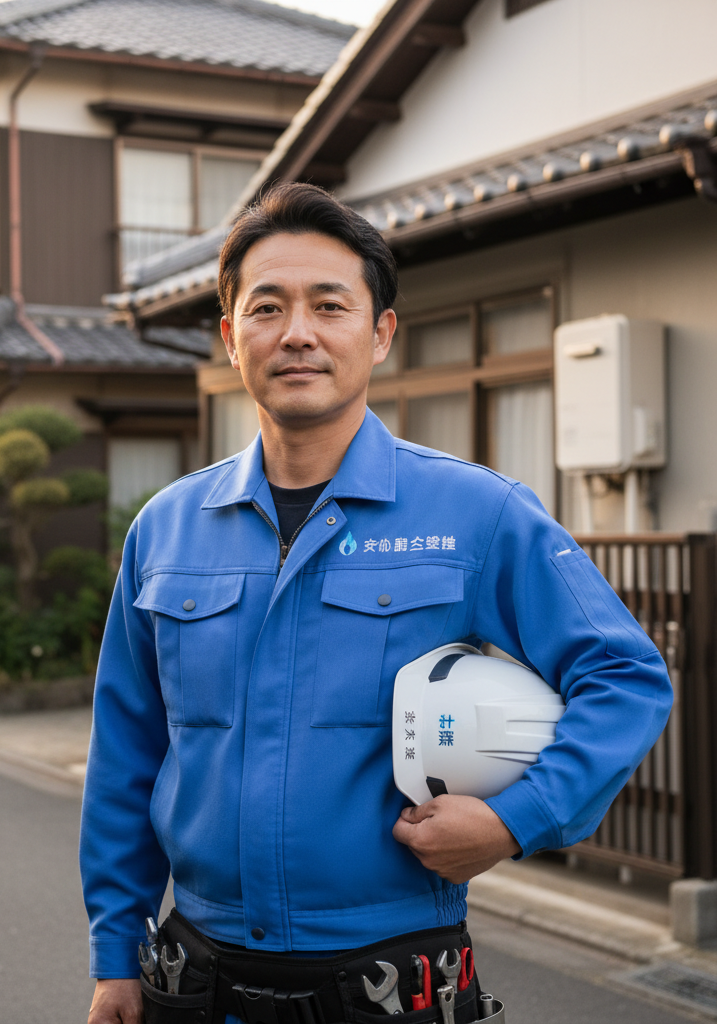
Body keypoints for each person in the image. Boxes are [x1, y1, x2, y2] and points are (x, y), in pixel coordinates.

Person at [80, 183, 672, 1024]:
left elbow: (625, 675)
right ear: (230, 336)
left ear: (380, 332)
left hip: (390, 978)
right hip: (194, 975)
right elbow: (126, 750)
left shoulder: (476, 513)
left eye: (330, 305)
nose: (298, 333)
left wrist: (514, 821)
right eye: (267, 308)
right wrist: (115, 951)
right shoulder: (167, 529)